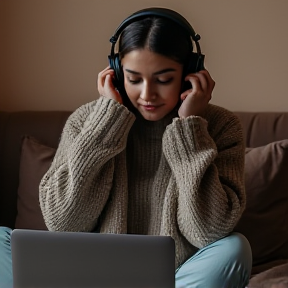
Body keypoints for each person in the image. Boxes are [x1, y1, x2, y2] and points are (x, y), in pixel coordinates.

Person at [0, 7, 252, 288]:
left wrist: (190, 128)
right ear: (117, 73)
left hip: (176, 279)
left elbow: (209, 231)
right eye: (133, 79)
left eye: (164, 79)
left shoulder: (221, 125)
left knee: (234, 249)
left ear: (190, 73)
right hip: (87, 276)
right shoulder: (86, 120)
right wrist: (106, 122)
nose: (147, 94)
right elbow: (63, 222)